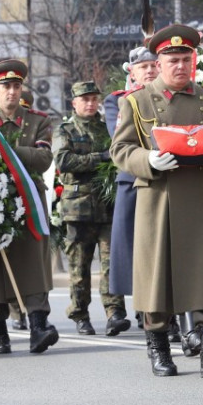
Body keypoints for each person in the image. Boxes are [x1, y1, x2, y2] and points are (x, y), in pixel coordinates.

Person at [111, 24, 203, 378]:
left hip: (199, 194)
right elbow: (120, 149)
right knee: (156, 273)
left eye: (186, 59)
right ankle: (159, 347)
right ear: (160, 62)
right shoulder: (136, 101)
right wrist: (147, 161)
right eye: (173, 60)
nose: (181, 66)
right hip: (158, 196)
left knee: (202, 271)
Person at [0, 59, 59, 354]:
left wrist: (4, 150)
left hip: (28, 200)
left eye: (16, 86)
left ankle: (37, 325)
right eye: (5, 87)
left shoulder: (38, 121)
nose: (11, 92)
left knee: (33, 261)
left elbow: (44, 159)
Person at [54, 80, 130, 336]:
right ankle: (80, 313)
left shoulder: (108, 128)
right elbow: (64, 161)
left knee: (111, 263)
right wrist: (100, 158)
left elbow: (120, 152)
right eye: (84, 99)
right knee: (79, 266)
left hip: (108, 208)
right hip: (78, 209)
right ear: (74, 102)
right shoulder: (64, 130)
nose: (90, 103)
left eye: (93, 99)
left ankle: (115, 312)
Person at [105, 46, 159, 327]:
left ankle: (163, 312)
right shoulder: (118, 101)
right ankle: (144, 308)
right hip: (133, 180)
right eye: (144, 67)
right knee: (135, 249)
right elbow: (118, 136)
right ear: (132, 72)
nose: (150, 71)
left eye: (154, 65)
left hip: (168, 180)